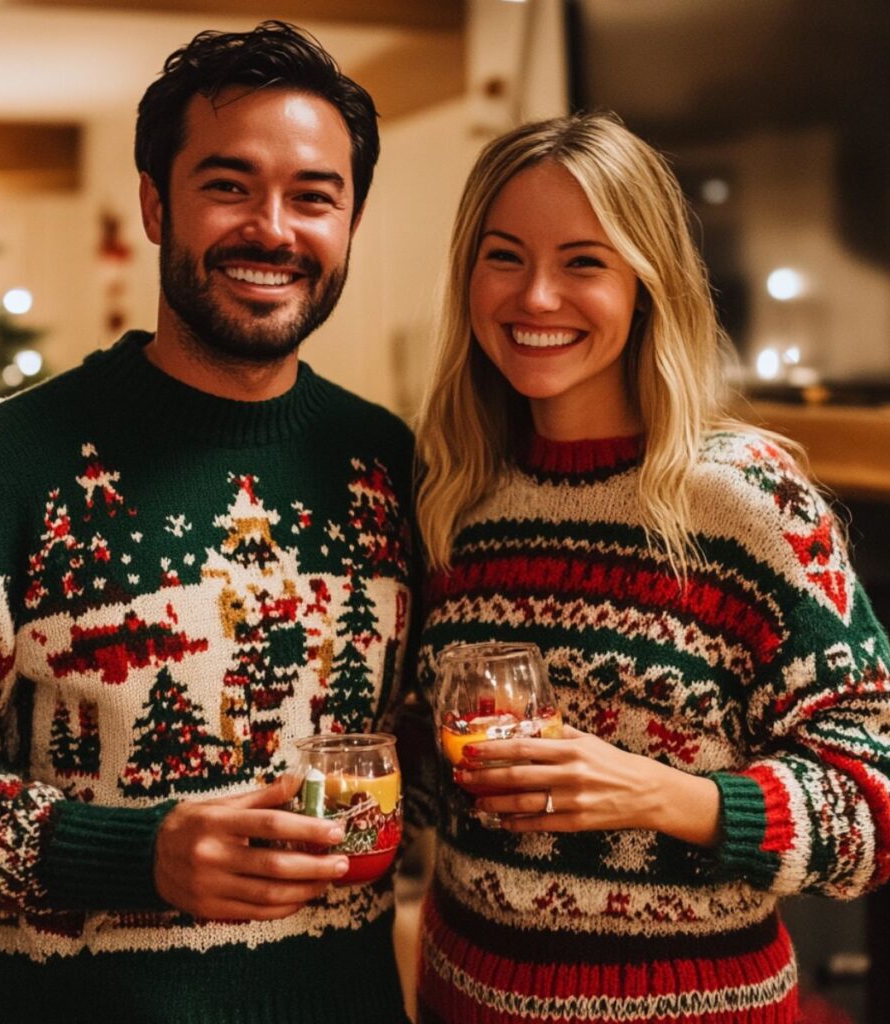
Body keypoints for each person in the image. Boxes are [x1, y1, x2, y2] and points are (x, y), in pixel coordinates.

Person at [0, 21, 416, 1024]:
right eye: (228, 184)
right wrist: (135, 855)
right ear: (156, 205)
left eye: (313, 196)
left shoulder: (391, 465)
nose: (272, 227)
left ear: (351, 220)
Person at [411, 111, 890, 1023]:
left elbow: (879, 800)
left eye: (584, 262)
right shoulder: (455, 492)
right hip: (459, 994)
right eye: (504, 255)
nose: (536, 297)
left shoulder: (746, 499)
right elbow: (438, 789)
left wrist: (664, 795)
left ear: (648, 282)